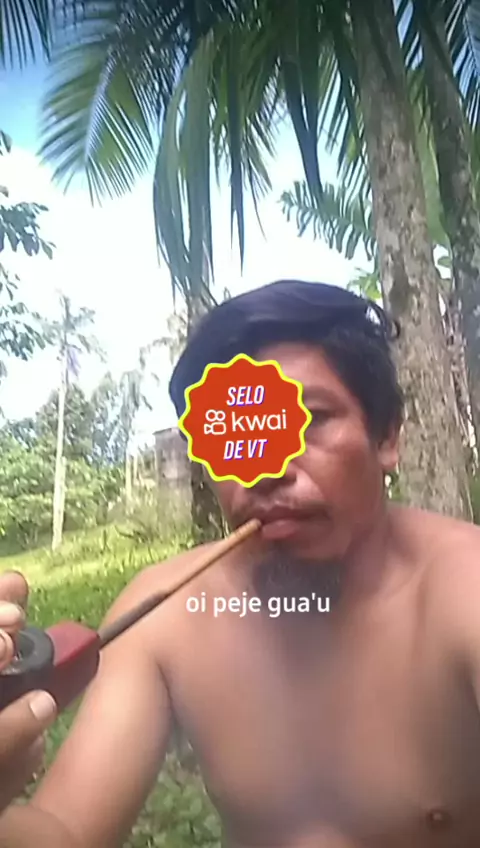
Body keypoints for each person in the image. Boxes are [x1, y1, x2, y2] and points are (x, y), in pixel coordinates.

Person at [1, 278, 480, 847]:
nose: (267, 469)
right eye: (233, 434)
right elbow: (65, 830)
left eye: (310, 420)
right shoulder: (169, 614)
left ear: (387, 437)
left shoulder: (464, 588)